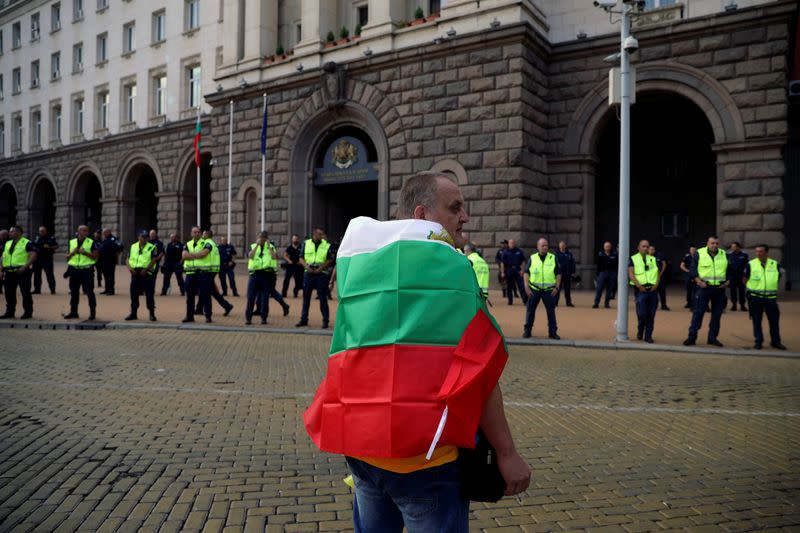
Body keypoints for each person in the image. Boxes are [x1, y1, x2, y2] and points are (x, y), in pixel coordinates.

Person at [306, 172, 530, 532]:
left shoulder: (360, 265)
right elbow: (479, 373)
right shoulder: (454, 270)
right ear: (423, 214)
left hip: (361, 448)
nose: (465, 217)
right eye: (455, 207)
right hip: (425, 460)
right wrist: (507, 453)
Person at [683, 236, 730, 347]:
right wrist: (699, 281)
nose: (714, 245)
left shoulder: (724, 254)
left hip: (719, 289)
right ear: (707, 243)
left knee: (716, 315)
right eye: (712, 243)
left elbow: (729, 269)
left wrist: (728, 281)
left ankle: (712, 338)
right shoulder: (699, 253)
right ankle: (691, 337)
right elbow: (693, 269)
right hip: (704, 288)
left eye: (716, 243)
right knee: (698, 313)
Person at [744, 244, 786, 350]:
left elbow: (778, 277)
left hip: (770, 298)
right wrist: (751, 288)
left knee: (774, 321)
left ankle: (775, 342)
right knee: (757, 321)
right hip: (755, 297)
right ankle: (758, 341)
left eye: (760, 251)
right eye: (757, 251)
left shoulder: (774, 264)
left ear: (767, 252)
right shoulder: (751, 264)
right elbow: (745, 278)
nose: (758, 253)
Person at [245, 231, 290, 324]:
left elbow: (274, 257)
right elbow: (250, 256)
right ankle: (248, 318)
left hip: (267, 275)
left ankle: (263, 317)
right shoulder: (253, 246)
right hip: (254, 274)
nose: (261, 240)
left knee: (265, 298)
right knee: (251, 297)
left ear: (266, 239)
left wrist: (269, 246)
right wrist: (257, 246)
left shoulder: (271, 247)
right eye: (260, 237)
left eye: (263, 238)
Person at [295, 227, 334, 328]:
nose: (322, 236)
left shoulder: (326, 245)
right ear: (314, 234)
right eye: (320, 234)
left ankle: (325, 320)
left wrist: (321, 268)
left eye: (322, 234)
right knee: (306, 297)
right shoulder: (306, 243)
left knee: (322, 298)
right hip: (309, 273)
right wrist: (307, 267)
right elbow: (301, 257)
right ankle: (304, 319)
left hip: (321, 274)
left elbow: (330, 259)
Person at [522, 238, 561, 339]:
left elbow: (558, 273)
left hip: (549, 291)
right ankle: (527, 331)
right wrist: (526, 286)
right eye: (543, 245)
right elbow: (526, 273)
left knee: (551, 312)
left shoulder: (553, 258)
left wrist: (557, 287)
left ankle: (552, 332)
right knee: (530, 310)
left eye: (546, 245)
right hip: (534, 289)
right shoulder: (532, 258)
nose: (545, 247)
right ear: (538, 247)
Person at [0, 226, 37, 319]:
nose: (10, 233)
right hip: (9, 272)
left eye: (12, 231)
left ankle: (28, 313)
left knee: (25, 293)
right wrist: (1, 270)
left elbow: (33, 255)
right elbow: (3, 257)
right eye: (10, 231)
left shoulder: (27, 243)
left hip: (22, 272)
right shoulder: (7, 243)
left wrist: (24, 267)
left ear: (19, 232)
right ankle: (10, 312)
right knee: (9, 293)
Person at [64, 225, 99, 320]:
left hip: (87, 270)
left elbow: (96, 256)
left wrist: (85, 253)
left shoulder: (91, 242)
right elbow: (67, 257)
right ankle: (73, 312)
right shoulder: (72, 242)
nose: (86, 232)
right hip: (74, 270)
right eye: (84, 231)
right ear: (78, 231)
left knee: (89, 292)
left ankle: (92, 313)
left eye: (87, 231)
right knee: (74, 292)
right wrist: (72, 253)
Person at [196, 230, 234, 317]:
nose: (202, 235)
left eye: (203, 234)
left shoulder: (207, 243)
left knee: (211, 291)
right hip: (211, 270)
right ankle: (199, 309)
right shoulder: (213, 244)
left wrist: (193, 255)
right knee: (204, 290)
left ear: (206, 235)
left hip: (208, 270)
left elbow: (203, 254)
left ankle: (227, 306)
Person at [630, 240, 660, 343]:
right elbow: (631, 273)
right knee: (642, 314)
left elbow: (658, 273)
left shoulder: (653, 259)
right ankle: (640, 330)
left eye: (647, 247)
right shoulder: (633, 258)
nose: (645, 248)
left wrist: (656, 285)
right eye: (643, 246)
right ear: (638, 247)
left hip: (652, 290)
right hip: (640, 290)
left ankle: (648, 336)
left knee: (651, 314)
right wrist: (638, 286)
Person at [125, 230, 158, 322]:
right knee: (134, 294)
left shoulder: (152, 247)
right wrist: (130, 268)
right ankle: (133, 313)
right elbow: (127, 259)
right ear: (138, 237)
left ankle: (152, 313)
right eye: (142, 237)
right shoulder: (133, 246)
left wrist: (146, 269)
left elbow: (154, 260)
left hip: (146, 273)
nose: (144, 238)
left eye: (146, 237)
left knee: (149, 294)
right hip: (135, 272)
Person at [500, 239, 527, 306]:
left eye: (513, 243)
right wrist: (502, 272)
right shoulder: (505, 252)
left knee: (521, 286)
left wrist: (522, 270)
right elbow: (502, 263)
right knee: (509, 286)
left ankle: (525, 300)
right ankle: (510, 300)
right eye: (510, 243)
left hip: (517, 270)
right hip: (509, 270)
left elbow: (523, 261)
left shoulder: (519, 251)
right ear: (508, 244)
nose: (512, 244)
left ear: (515, 244)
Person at [32, 226, 58, 294]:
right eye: (40, 231)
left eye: (43, 231)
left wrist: (49, 247)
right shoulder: (37, 238)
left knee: (49, 274)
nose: (41, 232)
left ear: (46, 231)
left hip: (47, 258)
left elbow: (56, 246)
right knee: (37, 275)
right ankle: (37, 289)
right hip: (38, 258)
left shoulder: (51, 238)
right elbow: (33, 245)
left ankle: (52, 289)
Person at [97, 229, 123, 295]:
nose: (103, 234)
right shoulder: (105, 240)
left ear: (108, 232)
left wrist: (116, 254)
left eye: (105, 233)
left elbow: (120, 247)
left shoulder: (113, 239)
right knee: (105, 276)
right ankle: (107, 289)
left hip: (110, 261)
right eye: (103, 233)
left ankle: (111, 290)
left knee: (110, 276)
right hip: (103, 261)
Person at [593, 241, 617, 309]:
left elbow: (616, 264)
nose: (607, 248)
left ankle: (607, 303)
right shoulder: (600, 254)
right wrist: (597, 274)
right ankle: (596, 303)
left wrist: (615, 274)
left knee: (609, 289)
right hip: (602, 273)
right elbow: (598, 264)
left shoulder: (615, 254)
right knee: (599, 288)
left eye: (608, 246)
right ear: (604, 247)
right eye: (606, 246)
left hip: (612, 273)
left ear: (610, 247)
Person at [726, 241, 748, 312]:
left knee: (742, 292)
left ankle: (742, 305)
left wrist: (745, 276)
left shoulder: (744, 255)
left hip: (741, 277)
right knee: (733, 292)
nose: (732, 248)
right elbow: (727, 266)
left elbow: (747, 266)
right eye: (732, 247)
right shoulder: (728, 255)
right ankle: (734, 305)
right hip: (732, 277)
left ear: (738, 247)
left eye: (734, 247)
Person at [648, 244, 670, 311]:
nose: (651, 251)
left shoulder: (659, 255)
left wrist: (661, 273)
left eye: (653, 249)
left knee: (662, 291)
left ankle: (664, 305)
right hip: (651, 278)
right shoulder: (646, 257)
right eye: (650, 249)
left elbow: (664, 264)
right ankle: (653, 305)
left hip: (660, 277)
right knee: (653, 292)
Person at [555, 241, 575, 307]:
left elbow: (572, 263)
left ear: (565, 246)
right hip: (559, 275)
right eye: (561, 245)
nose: (562, 246)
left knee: (567, 289)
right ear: (559, 246)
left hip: (567, 274)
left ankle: (568, 303)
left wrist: (572, 272)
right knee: (557, 289)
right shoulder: (556, 254)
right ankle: (555, 302)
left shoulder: (569, 254)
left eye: (563, 245)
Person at [0, 229, 7, 295]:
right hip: (0, 260)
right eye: (1, 235)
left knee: (5, 275)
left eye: (4, 235)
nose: (3, 236)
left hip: (7, 261)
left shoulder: (9, 242)